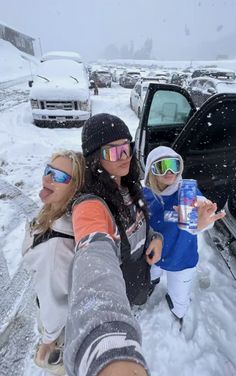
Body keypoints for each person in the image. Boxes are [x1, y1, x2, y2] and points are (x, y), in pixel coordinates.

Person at [64, 113, 163, 376]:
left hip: (139, 273)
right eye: (114, 151)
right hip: (120, 285)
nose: (125, 156)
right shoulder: (91, 205)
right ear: (95, 158)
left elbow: (144, 224)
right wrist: (104, 341)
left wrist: (155, 238)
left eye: (127, 147)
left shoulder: (130, 186)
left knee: (137, 301)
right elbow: (94, 262)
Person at [143, 145, 225, 324]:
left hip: (180, 255)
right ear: (151, 170)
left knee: (180, 296)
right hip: (153, 252)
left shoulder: (186, 191)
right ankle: (153, 282)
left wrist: (200, 221)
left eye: (174, 165)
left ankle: (177, 311)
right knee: (151, 273)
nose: (170, 171)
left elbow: (195, 217)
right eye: (162, 166)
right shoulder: (145, 193)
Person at [22, 150, 85, 375]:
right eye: (48, 171)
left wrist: (48, 339)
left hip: (62, 331)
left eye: (58, 177)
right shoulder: (54, 209)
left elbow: (55, 304)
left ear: (75, 188)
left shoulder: (55, 249)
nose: (48, 179)